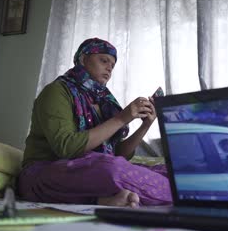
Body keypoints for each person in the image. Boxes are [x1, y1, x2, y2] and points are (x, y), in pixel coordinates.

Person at [17, 37, 172, 207]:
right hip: (45, 173)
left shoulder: (105, 102)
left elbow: (119, 153)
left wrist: (146, 125)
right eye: (103, 60)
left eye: (112, 65)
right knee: (111, 169)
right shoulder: (56, 92)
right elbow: (67, 148)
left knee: (170, 172)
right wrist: (122, 118)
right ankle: (173, 195)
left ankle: (108, 199)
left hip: (91, 169)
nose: (109, 68)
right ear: (83, 59)